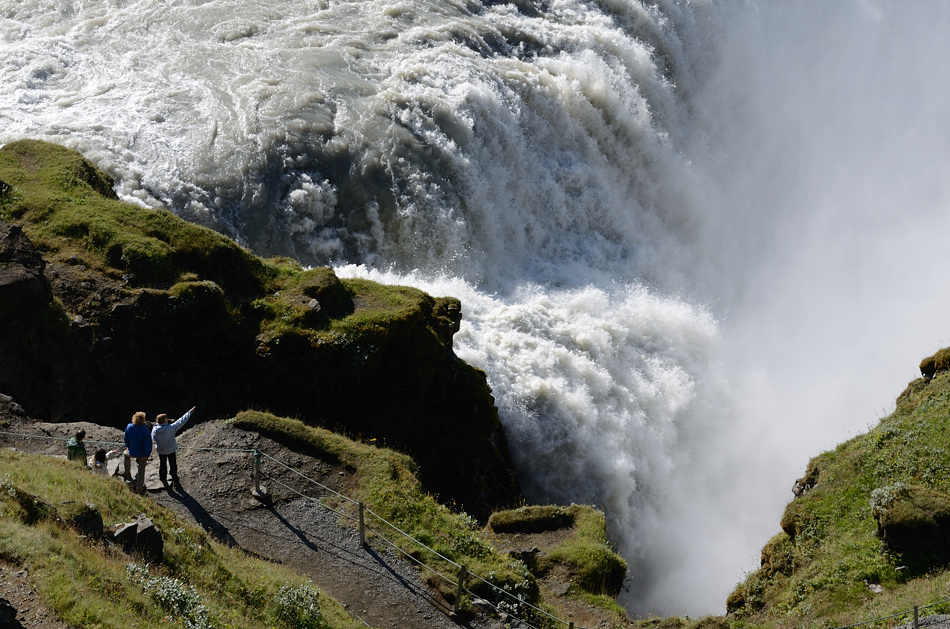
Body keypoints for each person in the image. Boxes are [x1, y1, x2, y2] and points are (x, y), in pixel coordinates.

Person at [151, 406, 195, 490]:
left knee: (162, 465)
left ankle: (163, 479)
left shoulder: (154, 429)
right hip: (170, 450)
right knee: (173, 465)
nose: (167, 419)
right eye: (166, 418)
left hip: (161, 450)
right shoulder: (170, 428)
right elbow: (181, 421)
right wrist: (189, 412)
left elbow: (153, 439)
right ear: (163, 420)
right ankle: (176, 481)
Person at [124, 411, 152, 494]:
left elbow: (126, 439)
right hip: (142, 454)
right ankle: (139, 487)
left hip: (132, 451)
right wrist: (146, 455)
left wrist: (128, 447)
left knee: (125, 454)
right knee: (141, 468)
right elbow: (148, 445)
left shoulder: (129, 427)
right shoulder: (145, 430)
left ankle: (127, 473)